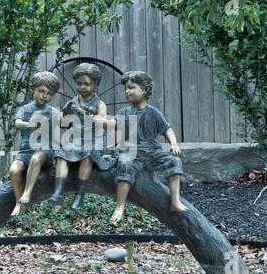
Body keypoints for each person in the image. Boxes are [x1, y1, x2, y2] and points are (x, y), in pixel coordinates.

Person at [109, 71, 188, 222]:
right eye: (126, 88)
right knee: (125, 165)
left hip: (152, 151)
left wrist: (174, 143)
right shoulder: (123, 112)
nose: (127, 91)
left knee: (173, 162)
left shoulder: (154, 113)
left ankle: (175, 201)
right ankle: (120, 206)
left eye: (131, 87)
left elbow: (167, 129)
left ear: (144, 90)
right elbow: (113, 125)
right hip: (131, 151)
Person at [49, 63, 115, 209]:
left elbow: (101, 121)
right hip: (76, 139)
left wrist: (84, 111)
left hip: (94, 140)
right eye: (79, 83)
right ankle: (58, 192)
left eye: (87, 84)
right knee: (61, 154)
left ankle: (79, 195)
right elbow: (61, 122)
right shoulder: (73, 101)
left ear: (95, 84)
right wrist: (65, 112)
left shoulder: (100, 104)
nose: (82, 87)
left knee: (88, 155)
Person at [9, 71, 60, 216]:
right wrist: (29, 125)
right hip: (25, 151)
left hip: (45, 151)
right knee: (14, 170)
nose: (45, 96)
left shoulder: (53, 112)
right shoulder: (25, 109)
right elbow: (17, 123)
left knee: (36, 158)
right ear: (33, 89)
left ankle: (27, 193)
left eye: (49, 93)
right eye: (41, 91)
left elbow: (64, 122)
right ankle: (19, 203)